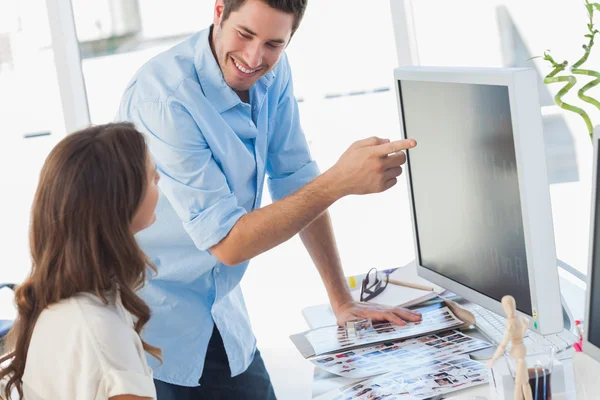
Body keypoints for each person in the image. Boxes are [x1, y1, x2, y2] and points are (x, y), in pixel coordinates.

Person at [115, 0, 421, 397]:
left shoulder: (272, 74)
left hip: (221, 313)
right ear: (219, 11)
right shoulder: (163, 98)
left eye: (274, 44)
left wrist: (341, 300)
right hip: (152, 326)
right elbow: (228, 243)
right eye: (244, 34)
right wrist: (339, 181)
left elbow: (295, 178)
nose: (253, 58)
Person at [0, 123, 161, 400]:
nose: (159, 177)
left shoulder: (57, 304)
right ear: (118, 203)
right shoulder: (104, 334)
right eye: (150, 176)